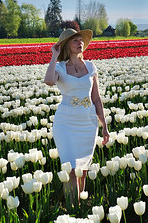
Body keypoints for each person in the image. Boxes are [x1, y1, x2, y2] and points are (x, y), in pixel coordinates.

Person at [44, 28, 109, 204]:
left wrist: (105, 126)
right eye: (75, 40)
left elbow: (96, 98)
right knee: (71, 169)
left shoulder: (90, 67)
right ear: (66, 45)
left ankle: (80, 207)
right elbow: (49, 81)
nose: (80, 42)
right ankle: (73, 208)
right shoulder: (59, 67)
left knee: (84, 169)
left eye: (81, 40)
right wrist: (53, 56)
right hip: (66, 123)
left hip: (88, 122)